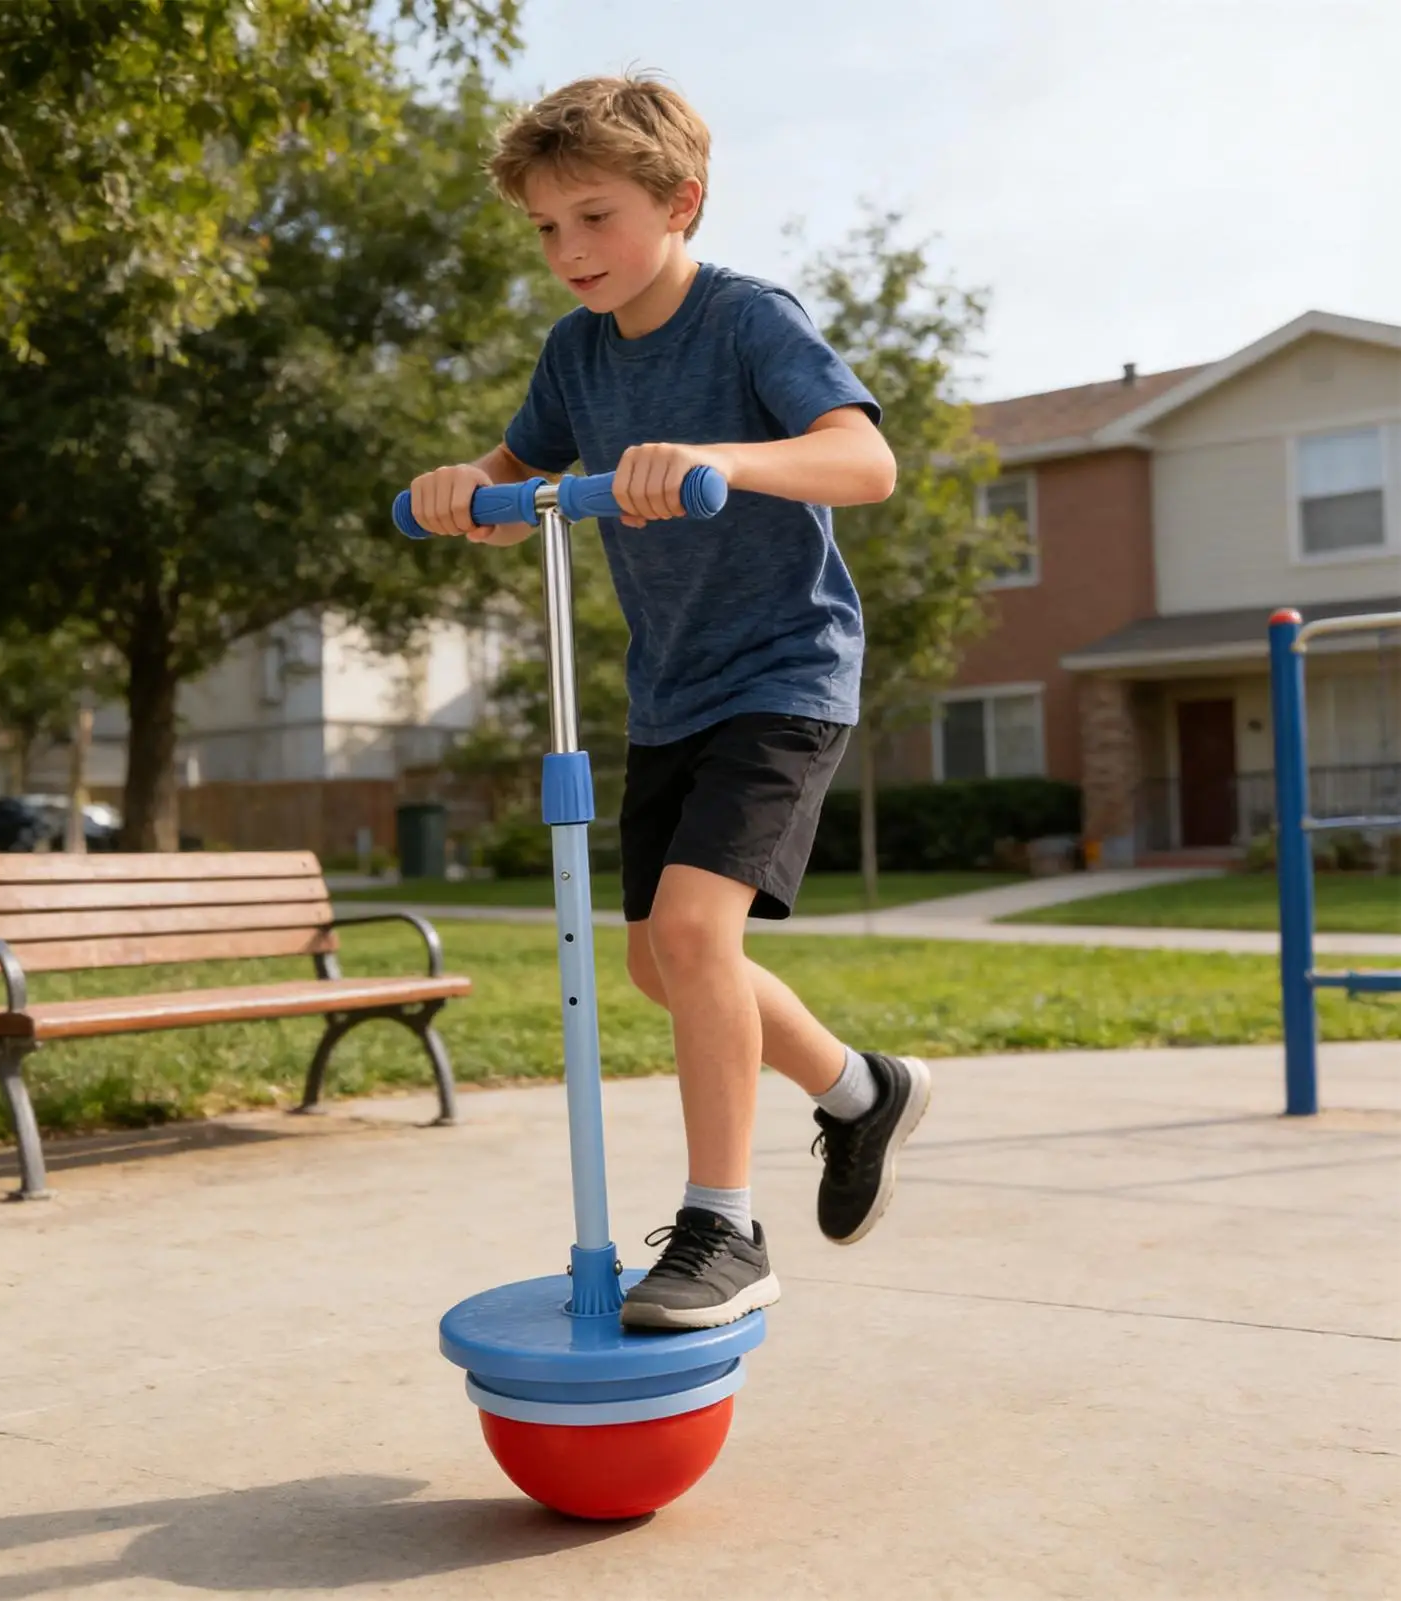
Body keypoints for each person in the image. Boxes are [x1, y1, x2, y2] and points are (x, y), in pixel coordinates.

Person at [407, 73, 931, 1331]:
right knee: (658, 961)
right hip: (670, 693)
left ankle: (722, 1227)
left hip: (784, 671)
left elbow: (863, 459)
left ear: (678, 201)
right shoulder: (575, 353)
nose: (568, 250)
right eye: (546, 227)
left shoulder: (745, 319)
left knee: (693, 937)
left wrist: (718, 460)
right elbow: (515, 477)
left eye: (593, 217)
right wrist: (463, 488)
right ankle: (860, 1091)